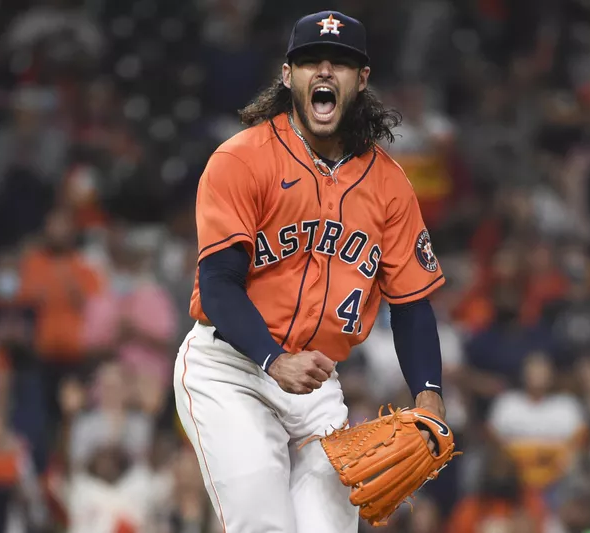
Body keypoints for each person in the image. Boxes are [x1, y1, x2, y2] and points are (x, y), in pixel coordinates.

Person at [173, 10, 448, 533]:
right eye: (310, 62)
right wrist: (273, 358)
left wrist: (429, 396)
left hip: (316, 387)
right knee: (267, 525)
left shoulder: (389, 185)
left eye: (341, 63)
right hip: (230, 369)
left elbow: (411, 302)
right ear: (287, 75)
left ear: (361, 80)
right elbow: (219, 284)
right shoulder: (242, 160)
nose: (325, 72)